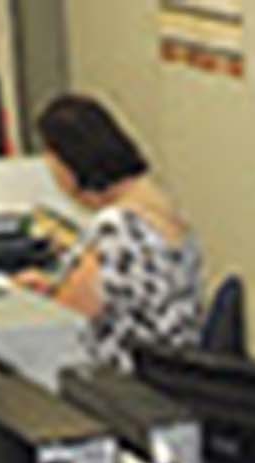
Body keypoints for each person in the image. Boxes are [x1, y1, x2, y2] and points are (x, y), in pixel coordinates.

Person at [15, 94, 204, 371]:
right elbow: (124, 293)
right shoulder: (161, 206)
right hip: (168, 368)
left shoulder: (117, 227)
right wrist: (55, 286)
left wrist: (34, 298)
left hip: (121, 376)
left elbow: (68, 317)